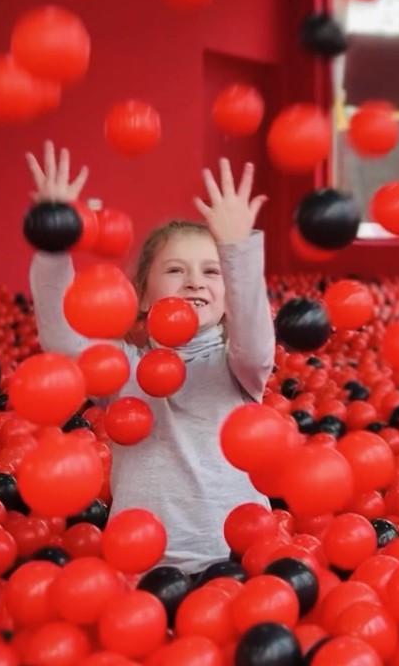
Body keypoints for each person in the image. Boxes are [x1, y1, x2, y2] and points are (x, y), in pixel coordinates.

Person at [26, 141, 275, 573]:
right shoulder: (123, 368)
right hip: (144, 566)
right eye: (176, 270)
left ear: (230, 292)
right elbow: (63, 341)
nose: (195, 282)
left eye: (211, 271)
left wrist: (238, 248)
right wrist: (53, 238)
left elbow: (255, 342)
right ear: (142, 295)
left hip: (237, 560)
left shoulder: (237, 368)